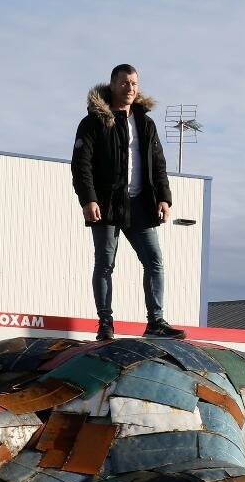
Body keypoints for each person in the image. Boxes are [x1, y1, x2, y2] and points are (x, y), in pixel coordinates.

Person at [71, 63, 182, 341]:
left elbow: (158, 163)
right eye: (124, 82)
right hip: (106, 205)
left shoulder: (145, 123)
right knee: (105, 263)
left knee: (154, 260)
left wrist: (164, 198)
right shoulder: (94, 121)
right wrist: (88, 199)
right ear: (112, 85)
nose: (130, 88)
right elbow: (81, 165)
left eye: (134, 83)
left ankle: (156, 321)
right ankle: (105, 323)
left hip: (140, 204)